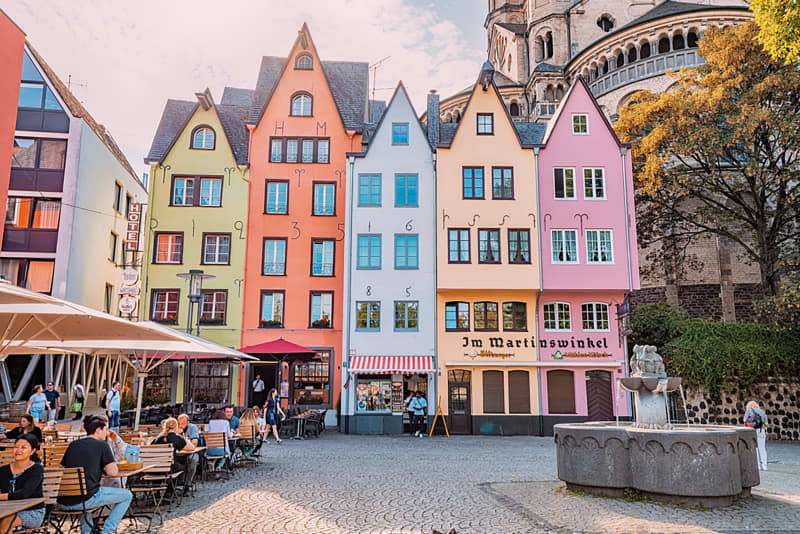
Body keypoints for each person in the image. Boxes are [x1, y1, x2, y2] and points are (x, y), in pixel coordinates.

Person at [58, 415, 132, 534]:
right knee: (127, 495)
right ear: (98, 430)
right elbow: (113, 473)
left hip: (63, 501)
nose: (107, 433)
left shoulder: (73, 445)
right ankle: (108, 530)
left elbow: (62, 469)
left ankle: (87, 531)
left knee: (85, 493)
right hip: (85, 500)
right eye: (106, 429)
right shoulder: (102, 445)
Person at [0, 434, 45, 532]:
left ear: (33, 451)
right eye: (16, 447)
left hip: (32, 511)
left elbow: (25, 493)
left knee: (6, 521)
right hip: (7, 510)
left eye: (23, 447)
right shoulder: (4, 470)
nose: (18, 450)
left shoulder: (36, 469)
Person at [153, 417, 197, 494]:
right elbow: (191, 448)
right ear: (176, 427)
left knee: (166, 465)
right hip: (168, 468)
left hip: (153, 468)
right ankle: (170, 491)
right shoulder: (176, 438)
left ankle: (156, 493)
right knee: (183, 467)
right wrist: (184, 437)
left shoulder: (157, 439)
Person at [744, 400, 768, 471]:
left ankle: (758, 466)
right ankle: (764, 466)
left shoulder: (749, 411)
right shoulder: (762, 411)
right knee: (762, 448)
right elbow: (766, 423)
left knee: (755, 448)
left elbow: (744, 420)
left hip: (751, 431)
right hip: (761, 431)